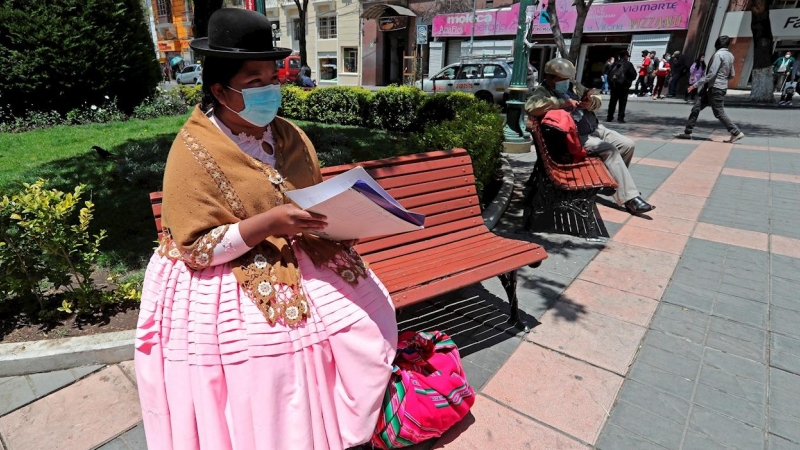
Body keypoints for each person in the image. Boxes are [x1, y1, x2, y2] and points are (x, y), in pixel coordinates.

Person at [134, 9, 398, 450]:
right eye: (255, 83)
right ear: (220, 90)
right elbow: (194, 249)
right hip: (224, 275)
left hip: (304, 257)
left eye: (272, 78)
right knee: (272, 361)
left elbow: (313, 199)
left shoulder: (288, 135)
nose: (270, 90)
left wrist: (347, 217)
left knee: (363, 323)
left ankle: (334, 428)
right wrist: (267, 223)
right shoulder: (192, 152)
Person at [526, 58, 655, 215]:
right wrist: (562, 102)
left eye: (568, 79)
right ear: (549, 77)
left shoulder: (574, 86)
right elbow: (531, 106)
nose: (566, 82)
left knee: (627, 144)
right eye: (562, 80)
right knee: (610, 151)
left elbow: (596, 98)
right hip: (576, 137)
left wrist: (590, 103)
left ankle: (613, 184)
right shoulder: (542, 91)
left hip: (595, 128)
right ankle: (630, 198)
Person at [676, 36, 745, 143]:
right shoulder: (730, 55)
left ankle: (736, 132)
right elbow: (732, 74)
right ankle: (687, 132)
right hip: (715, 88)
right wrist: (723, 79)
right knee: (696, 108)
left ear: (717, 44)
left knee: (719, 112)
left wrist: (695, 85)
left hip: (715, 88)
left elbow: (711, 74)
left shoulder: (718, 55)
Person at [606, 50, 637, 124]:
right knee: (622, 102)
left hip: (614, 86)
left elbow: (609, 74)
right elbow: (634, 75)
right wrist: (628, 82)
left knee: (612, 102)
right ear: (625, 56)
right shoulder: (628, 64)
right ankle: (620, 118)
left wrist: (611, 85)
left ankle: (609, 117)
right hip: (624, 86)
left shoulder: (614, 64)